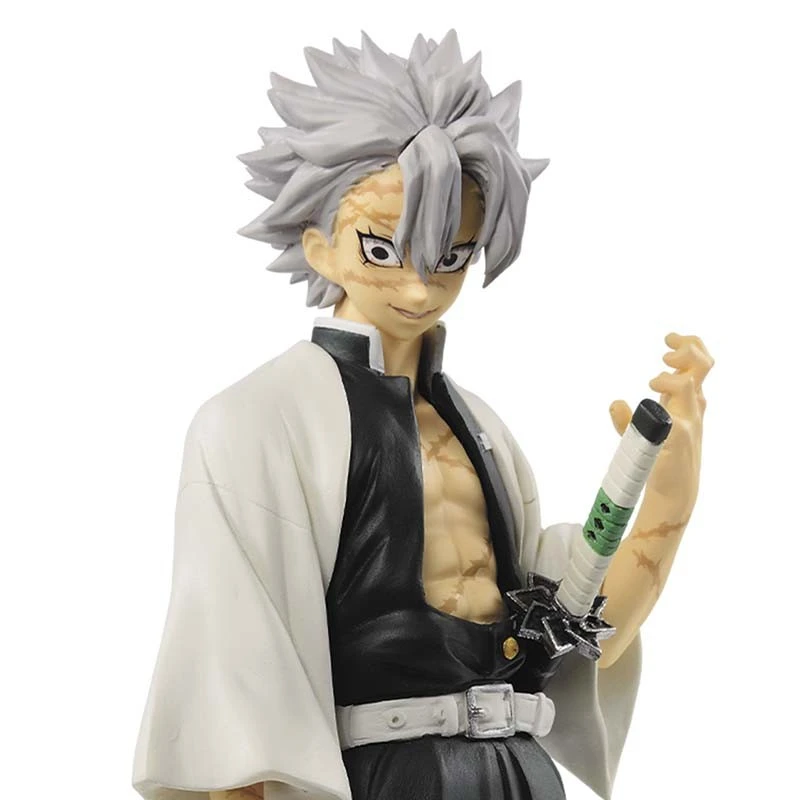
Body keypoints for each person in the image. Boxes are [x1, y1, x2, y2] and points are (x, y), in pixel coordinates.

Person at [132, 31, 712, 800]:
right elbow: (233, 684)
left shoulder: (485, 433)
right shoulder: (257, 423)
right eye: (382, 250)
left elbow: (582, 642)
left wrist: (670, 503)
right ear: (318, 245)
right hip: (380, 778)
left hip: (519, 773)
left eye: (451, 256)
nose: (418, 287)